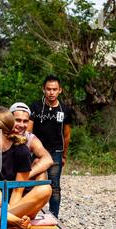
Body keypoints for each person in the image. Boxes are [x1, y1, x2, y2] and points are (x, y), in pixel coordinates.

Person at [27, 75, 72, 218]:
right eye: (48, 89)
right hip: (37, 151)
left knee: (55, 186)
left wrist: (64, 155)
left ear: (60, 90)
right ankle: (27, 212)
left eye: (54, 89)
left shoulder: (65, 110)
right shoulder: (35, 107)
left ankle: (53, 217)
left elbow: (66, 135)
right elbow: (28, 132)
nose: (51, 92)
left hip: (55, 151)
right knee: (29, 181)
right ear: (43, 90)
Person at [9, 102, 53, 180]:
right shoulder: (1, 133)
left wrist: (24, 177)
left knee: (39, 167)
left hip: (21, 177)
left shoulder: (30, 138)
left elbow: (48, 159)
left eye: (25, 121)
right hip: (3, 178)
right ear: (9, 119)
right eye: (18, 120)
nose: (22, 125)